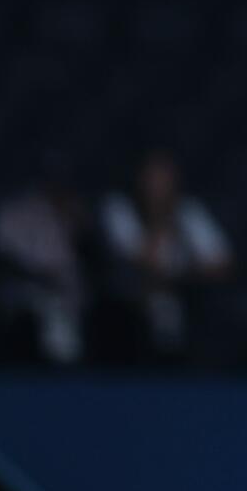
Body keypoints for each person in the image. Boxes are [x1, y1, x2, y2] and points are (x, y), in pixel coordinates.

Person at [97, 146, 233, 364]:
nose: (160, 186)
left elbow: (222, 264)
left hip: (185, 293)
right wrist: (158, 218)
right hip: (134, 296)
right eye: (153, 179)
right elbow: (142, 261)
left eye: (165, 179)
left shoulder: (189, 210)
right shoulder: (120, 208)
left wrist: (184, 276)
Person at [0, 156, 96, 365]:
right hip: (26, 293)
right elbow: (3, 261)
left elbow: (83, 259)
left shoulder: (74, 212)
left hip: (68, 295)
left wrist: (76, 223)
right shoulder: (13, 214)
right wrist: (40, 279)